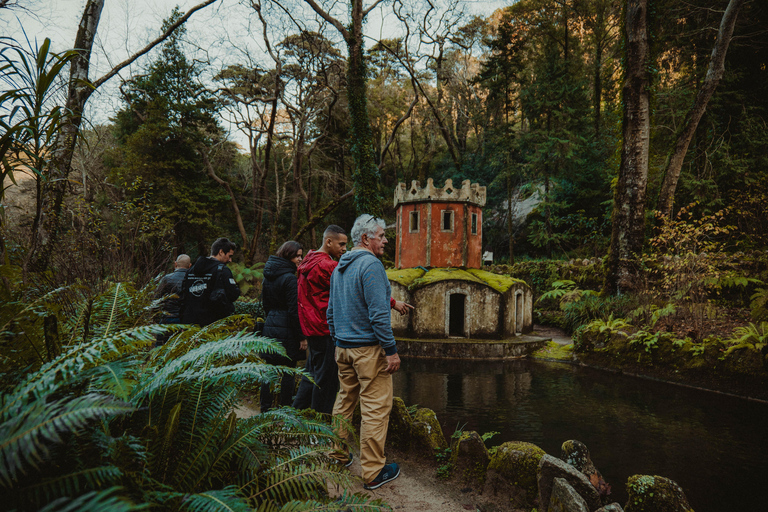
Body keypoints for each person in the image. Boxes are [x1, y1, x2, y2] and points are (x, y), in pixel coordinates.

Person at [327, 214, 405, 490]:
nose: (385, 240)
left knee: (344, 401)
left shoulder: (340, 267)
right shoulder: (371, 265)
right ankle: (373, 472)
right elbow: (379, 316)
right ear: (366, 238)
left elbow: (331, 312)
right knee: (375, 408)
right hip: (367, 350)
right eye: (381, 235)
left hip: (344, 348)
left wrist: (338, 340)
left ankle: (337, 454)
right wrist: (391, 351)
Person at [291, 225, 348, 413]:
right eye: (341, 244)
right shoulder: (327, 266)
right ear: (328, 241)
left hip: (311, 328)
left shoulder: (308, 261)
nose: (344, 249)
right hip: (324, 328)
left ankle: (294, 414)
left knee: (312, 375)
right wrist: (391, 302)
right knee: (327, 380)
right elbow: (355, 285)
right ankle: (319, 424)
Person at [259, 240, 308, 412]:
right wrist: (301, 336)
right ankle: (285, 411)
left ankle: (264, 410)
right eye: (297, 256)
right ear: (288, 256)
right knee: (288, 371)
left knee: (269, 370)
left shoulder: (267, 276)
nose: (300, 259)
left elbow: (265, 305)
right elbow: (294, 311)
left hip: (270, 324)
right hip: (287, 328)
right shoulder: (289, 279)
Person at [181, 238, 241, 326]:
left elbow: (183, 296)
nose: (230, 260)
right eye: (229, 256)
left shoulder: (191, 270)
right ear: (221, 252)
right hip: (214, 323)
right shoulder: (222, 270)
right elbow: (233, 294)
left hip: (191, 323)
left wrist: (183, 321)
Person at [156, 254, 191, 324]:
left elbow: (157, 298)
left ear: (175, 264)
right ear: (190, 265)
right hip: (187, 320)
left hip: (168, 318)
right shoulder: (193, 280)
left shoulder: (166, 279)